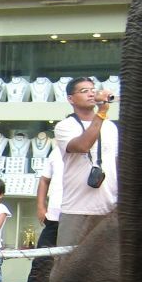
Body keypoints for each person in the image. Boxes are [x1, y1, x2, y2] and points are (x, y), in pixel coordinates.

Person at [0, 145, 63, 282]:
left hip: (85, 215)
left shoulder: (98, 149)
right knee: (41, 263)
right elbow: (44, 180)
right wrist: (41, 207)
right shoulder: (57, 151)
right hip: (55, 217)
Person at [53, 76, 118, 247]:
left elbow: (117, 163)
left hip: (108, 207)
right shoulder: (64, 126)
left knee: (107, 264)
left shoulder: (110, 127)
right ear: (70, 99)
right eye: (84, 91)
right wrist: (101, 112)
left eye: (92, 90)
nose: (91, 94)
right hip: (76, 209)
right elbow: (83, 145)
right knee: (68, 263)